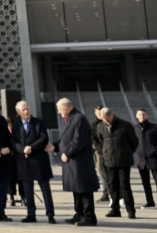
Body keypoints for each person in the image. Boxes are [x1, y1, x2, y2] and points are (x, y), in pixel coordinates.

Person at [50, 97, 98, 226]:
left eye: (60, 110)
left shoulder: (79, 119)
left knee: (84, 189)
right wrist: (54, 146)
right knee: (76, 189)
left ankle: (89, 217)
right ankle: (79, 214)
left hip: (79, 161)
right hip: (73, 162)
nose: (59, 113)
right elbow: (65, 139)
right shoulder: (69, 118)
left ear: (67, 107)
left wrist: (67, 153)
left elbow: (78, 140)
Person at [12, 100, 56, 224]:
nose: (26, 111)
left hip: (39, 160)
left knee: (45, 189)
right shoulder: (16, 125)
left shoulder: (39, 122)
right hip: (24, 162)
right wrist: (23, 149)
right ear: (18, 112)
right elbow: (14, 141)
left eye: (27, 109)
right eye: (23, 110)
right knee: (28, 190)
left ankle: (50, 214)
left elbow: (44, 138)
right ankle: (31, 214)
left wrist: (31, 148)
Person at [96, 106, 138, 219]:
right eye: (104, 120)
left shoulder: (125, 125)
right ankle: (115, 209)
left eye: (107, 119)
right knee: (112, 186)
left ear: (111, 115)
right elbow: (100, 140)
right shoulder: (100, 127)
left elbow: (134, 141)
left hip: (124, 160)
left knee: (125, 185)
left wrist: (127, 152)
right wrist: (105, 151)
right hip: (109, 160)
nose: (106, 121)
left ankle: (131, 210)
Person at [135, 108, 157, 210]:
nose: (142, 116)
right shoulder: (135, 128)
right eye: (140, 114)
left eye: (143, 114)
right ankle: (150, 201)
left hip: (153, 159)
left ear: (147, 115)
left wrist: (154, 150)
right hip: (141, 160)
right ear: (136, 116)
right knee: (145, 182)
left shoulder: (154, 127)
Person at [91, 105, 110, 204]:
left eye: (101, 112)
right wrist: (101, 149)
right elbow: (93, 139)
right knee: (103, 175)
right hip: (100, 152)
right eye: (97, 112)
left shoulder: (108, 122)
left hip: (110, 152)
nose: (99, 114)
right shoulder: (93, 125)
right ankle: (106, 194)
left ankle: (111, 194)